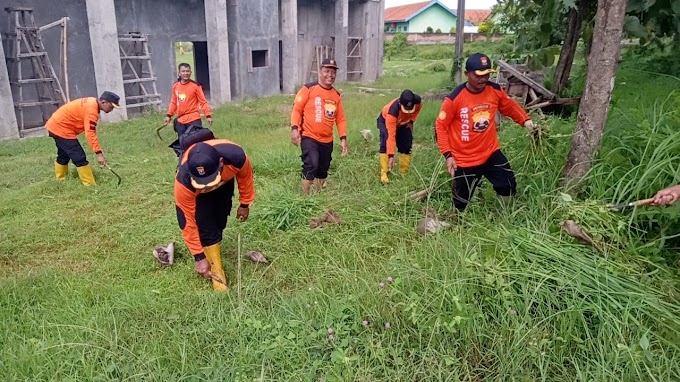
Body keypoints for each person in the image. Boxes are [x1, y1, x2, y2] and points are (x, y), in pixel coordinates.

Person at [435, 53, 535, 211]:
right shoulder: (454, 99)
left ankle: (505, 219)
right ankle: (456, 224)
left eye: (487, 75)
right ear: (467, 74)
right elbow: (440, 126)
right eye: (478, 75)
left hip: (490, 153)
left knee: (507, 184)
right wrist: (448, 155)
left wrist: (526, 121)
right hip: (464, 159)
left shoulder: (494, 90)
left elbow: (509, 107)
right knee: (461, 201)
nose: (483, 79)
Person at [174, 140, 255, 291]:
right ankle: (217, 271)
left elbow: (245, 178)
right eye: (203, 183)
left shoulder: (236, 157)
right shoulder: (184, 181)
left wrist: (245, 204)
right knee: (206, 226)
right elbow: (186, 221)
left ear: (221, 163)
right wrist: (198, 257)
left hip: (224, 184)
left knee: (220, 219)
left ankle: (211, 244)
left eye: (209, 181)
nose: (207, 186)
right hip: (198, 196)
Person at [290, 58, 348, 194]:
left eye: (333, 72)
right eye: (327, 71)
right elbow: (297, 109)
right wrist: (294, 129)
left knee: (322, 170)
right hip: (309, 136)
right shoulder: (308, 89)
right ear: (320, 72)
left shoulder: (336, 95)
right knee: (311, 164)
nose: (330, 75)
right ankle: (305, 198)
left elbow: (340, 119)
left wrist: (343, 138)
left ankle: (317, 196)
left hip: (327, 140)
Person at [46, 91, 121, 186]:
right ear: (103, 102)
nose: (111, 110)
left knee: (64, 154)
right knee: (79, 157)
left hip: (55, 124)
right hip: (61, 128)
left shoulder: (92, 102)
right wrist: (99, 154)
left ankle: (61, 180)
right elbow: (90, 133)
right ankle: (90, 185)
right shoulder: (92, 111)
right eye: (111, 107)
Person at [163, 63, 212, 156]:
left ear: (190, 72)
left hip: (193, 120)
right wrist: (169, 115)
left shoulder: (196, 86)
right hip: (181, 121)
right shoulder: (175, 86)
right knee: (183, 145)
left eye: (188, 71)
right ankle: (183, 164)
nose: (186, 73)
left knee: (196, 145)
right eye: (183, 71)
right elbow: (173, 102)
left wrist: (208, 115)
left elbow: (203, 101)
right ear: (179, 73)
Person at [377, 89, 422, 184]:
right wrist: (391, 156)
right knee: (385, 141)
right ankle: (384, 174)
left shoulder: (417, 100)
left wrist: (411, 121)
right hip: (386, 121)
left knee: (406, 144)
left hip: (403, 122)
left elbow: (418, 108)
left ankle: (403, 173)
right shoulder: (392, 111)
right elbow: (391, 136)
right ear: (400, 104)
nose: (408, 111)